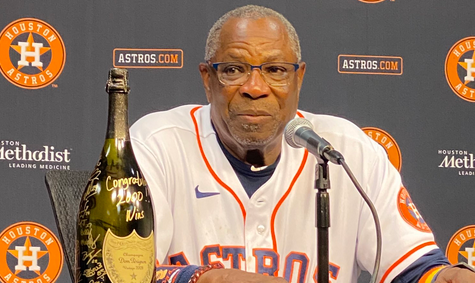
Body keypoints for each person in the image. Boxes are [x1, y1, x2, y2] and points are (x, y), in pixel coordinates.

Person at [130, 5, 475, 283]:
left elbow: (413, 267)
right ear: (208, 79)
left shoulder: (346, 151)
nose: (255, 87)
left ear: (299, 78)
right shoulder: (157, 146)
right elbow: (118, 273)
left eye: (275, 70)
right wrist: (208, 278)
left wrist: (446, 276)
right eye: (234, 69)